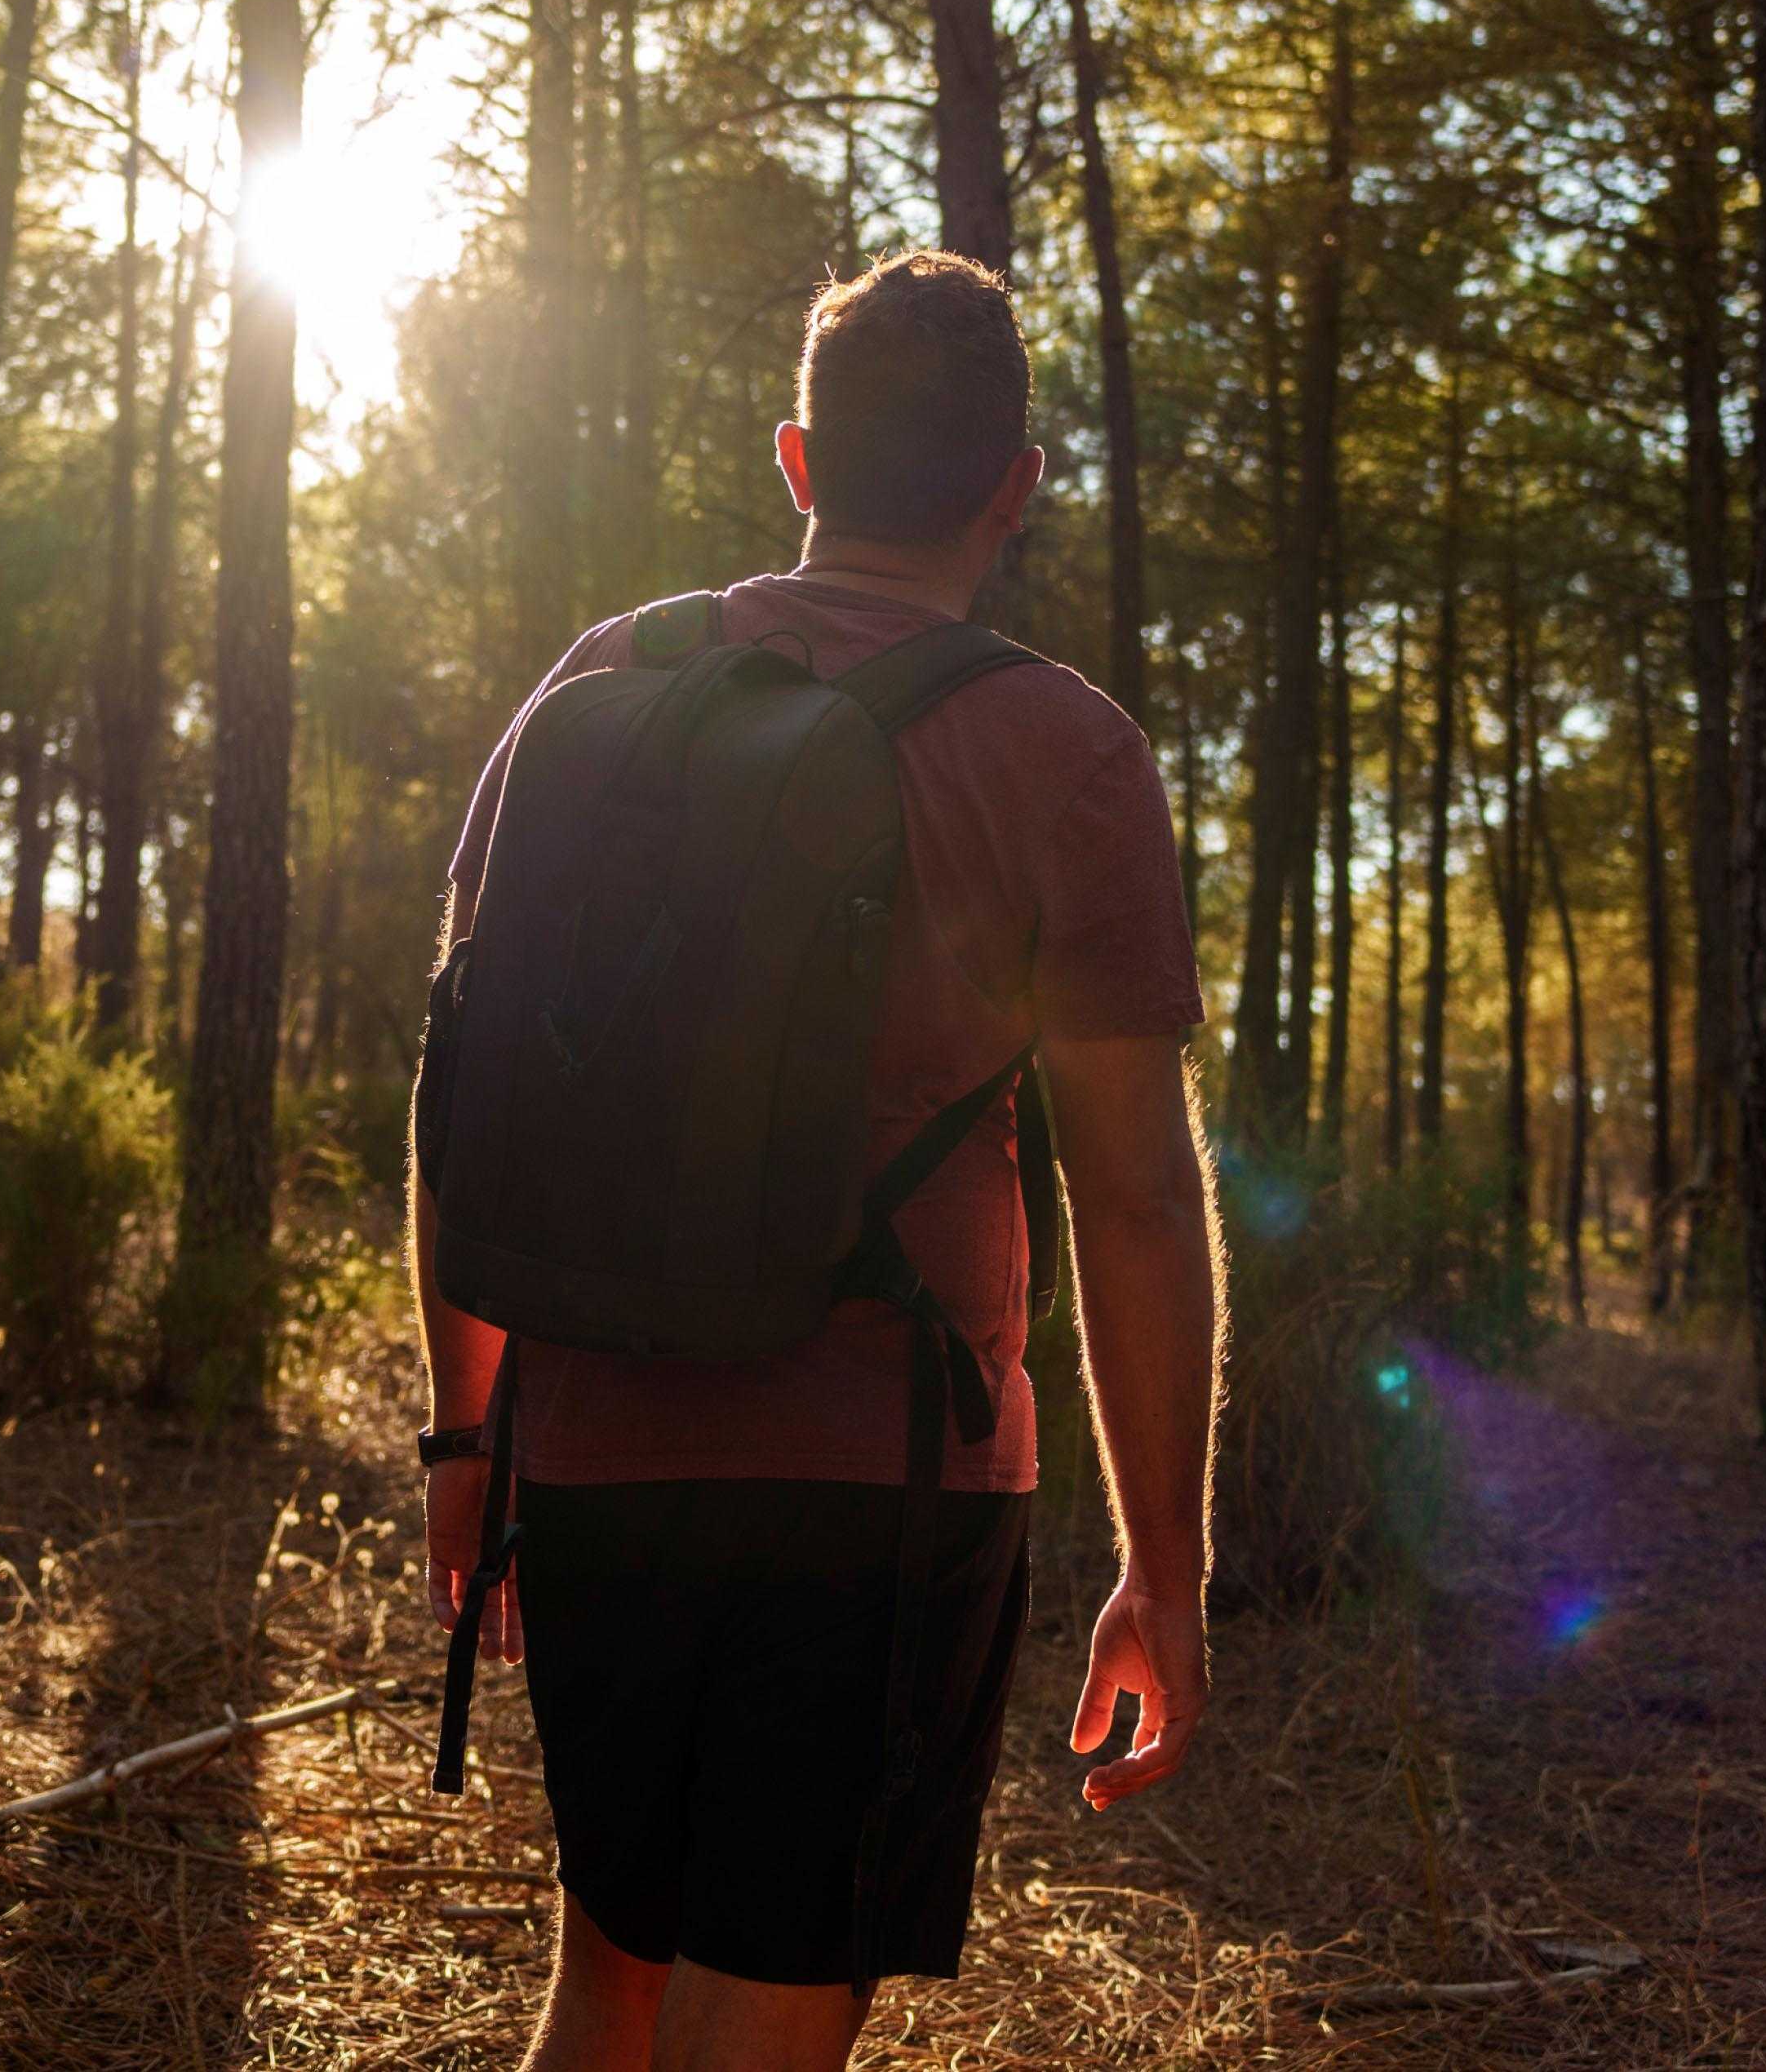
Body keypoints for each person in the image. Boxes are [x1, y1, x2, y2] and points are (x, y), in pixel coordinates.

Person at [408, 250, 1224, 2072]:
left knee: (609, 1977)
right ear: (1013, 492)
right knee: (764, 2008)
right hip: (884, 1485)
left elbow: (458, 1084)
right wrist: (1162, 1568)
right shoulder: (1065, 755)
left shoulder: (601, 682)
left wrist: (472, 1431)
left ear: (797, 461)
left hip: (599, 1441)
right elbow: (1141, 1202)